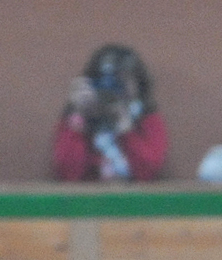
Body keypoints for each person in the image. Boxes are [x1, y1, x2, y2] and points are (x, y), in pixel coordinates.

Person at [52, 44, 166, 182]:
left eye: (121, 82)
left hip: (134, 198)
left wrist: (126, 130)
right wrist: (79, 118)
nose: (113, 89)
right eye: (105, 81)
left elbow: (147, 172)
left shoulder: (147, 119)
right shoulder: (76, 120)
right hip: (87, 198)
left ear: (138, 84)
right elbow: (68, 173)